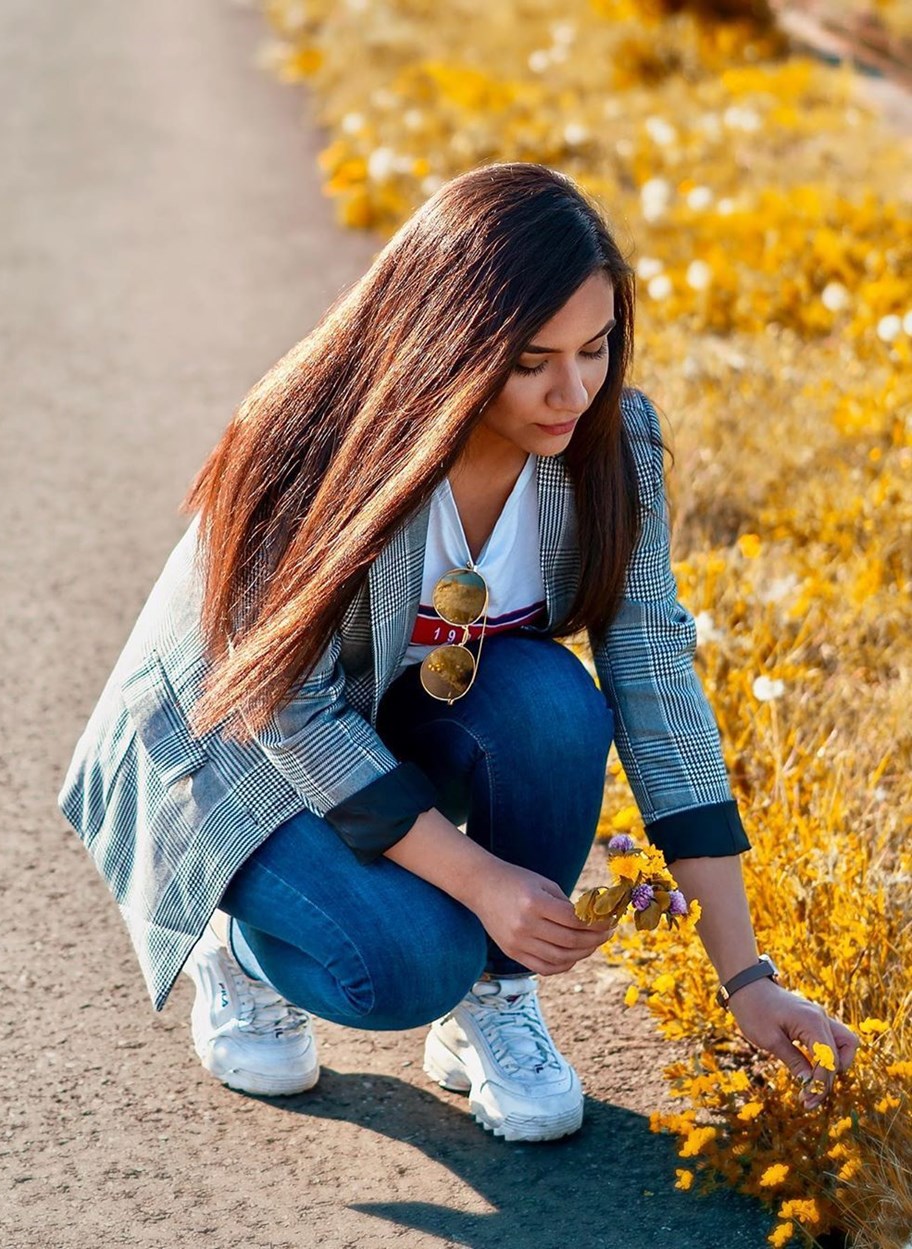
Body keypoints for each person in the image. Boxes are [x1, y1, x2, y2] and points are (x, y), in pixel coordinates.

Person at [58, 162, 858, 1143]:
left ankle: (492, 997)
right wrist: (483, 880)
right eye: (530, 361)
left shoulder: (613, 446)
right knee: (403, 962)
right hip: (238, 749)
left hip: (397, 715)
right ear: (452, 343)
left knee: (553, 704)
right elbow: (291, 711)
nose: (572, 390)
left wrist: (747, 980)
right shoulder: (313, 446)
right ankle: (241, 950)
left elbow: (656, 681)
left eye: (596, 349)